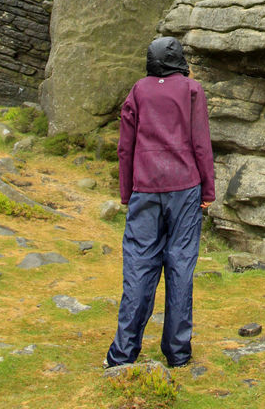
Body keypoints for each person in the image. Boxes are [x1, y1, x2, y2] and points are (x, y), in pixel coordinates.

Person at [104, 36, 215, 369]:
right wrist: (207, 191)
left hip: (146, 189)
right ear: (179, 58)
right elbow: (201, 144)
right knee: (181, 266)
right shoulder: (192, 90)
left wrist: (127, 192)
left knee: (138, 266)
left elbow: (125, 147)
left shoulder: (139, 91)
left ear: (151, 61)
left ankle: (123, 353)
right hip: (185, 189)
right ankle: (178, 353)